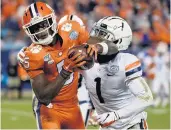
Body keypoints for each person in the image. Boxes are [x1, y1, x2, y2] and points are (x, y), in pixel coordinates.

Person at [17, 2, 91, 129]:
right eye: (35, 28)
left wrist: (86, 56)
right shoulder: (33, 54)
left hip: (73, 103)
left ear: (53, 19)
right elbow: (44, 97)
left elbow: (91, 53)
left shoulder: (72, 28)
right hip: (49, 108)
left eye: (43, 24)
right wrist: (66, 70)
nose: (41, 31)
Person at [81, 16, 153, 129]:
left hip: (131, 125)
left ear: (118, 41)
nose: (95, 38)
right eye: (96, 32)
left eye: (102, 35)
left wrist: (116, 115)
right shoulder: (85, 61)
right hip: (106, 126)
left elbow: (146, 98)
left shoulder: (125, 61)